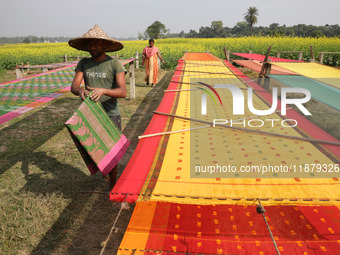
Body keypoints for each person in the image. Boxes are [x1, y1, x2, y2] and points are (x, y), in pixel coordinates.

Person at [69, 24, 126, 190]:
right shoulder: (84, 63)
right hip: (90, 113)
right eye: (90, 44)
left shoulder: (115, 64)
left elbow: (122, 91)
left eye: (97, 44)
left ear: (105, 45)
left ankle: (113, 187)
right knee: (94, 148)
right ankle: (105, 172)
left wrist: (104, 91)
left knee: (113, 153)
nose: (93, 47)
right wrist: (80, 91)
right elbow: (74, 87)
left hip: (110, 113)